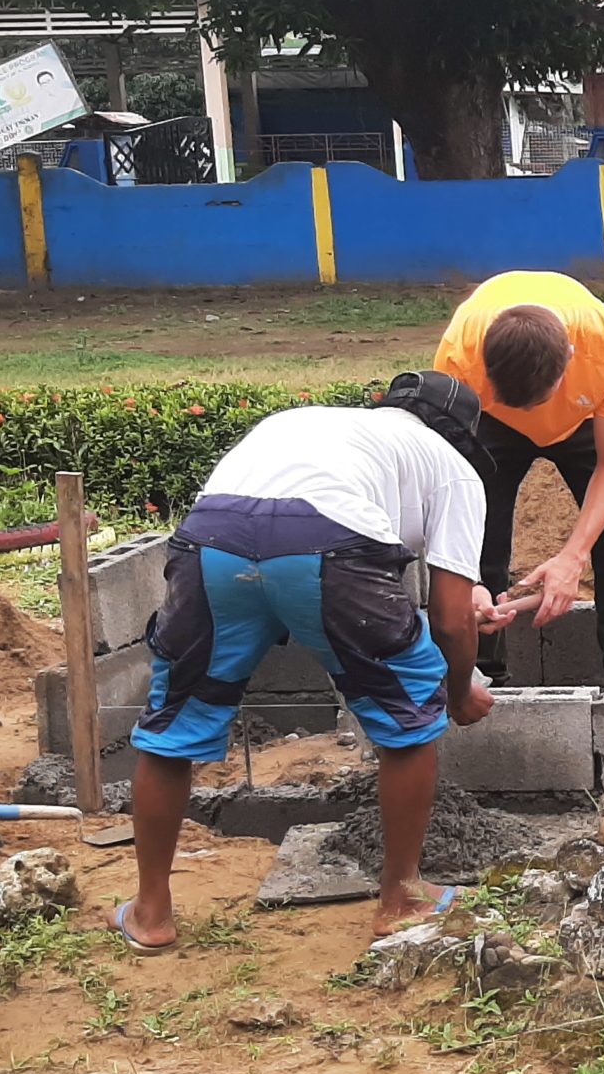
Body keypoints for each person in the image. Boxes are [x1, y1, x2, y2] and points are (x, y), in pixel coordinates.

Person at [112, 372, 501, 950]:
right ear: (463, 436)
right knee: (409, 720)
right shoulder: (455, 468)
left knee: (175, 722)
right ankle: (402, 897)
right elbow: (448, 617)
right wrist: (460, 688)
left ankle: (151, 912)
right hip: (331, 550)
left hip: (214, 541)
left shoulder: (318, 426)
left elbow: (275, 538)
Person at [433, 270, 604, 687]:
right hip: (492, 421)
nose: (534, 416)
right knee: (480, 538)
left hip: (584, 420)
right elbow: (450, 481)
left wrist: (572, 557)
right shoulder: (459, 356)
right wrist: (471, 582)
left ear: (571, 355)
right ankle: (480, 677)